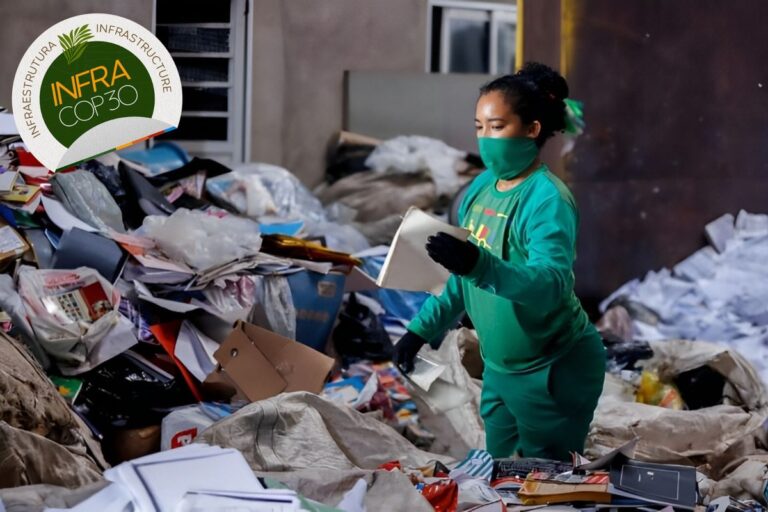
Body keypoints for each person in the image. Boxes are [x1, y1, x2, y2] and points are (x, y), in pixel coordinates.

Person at [394, 62, 606, 461]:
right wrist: (420, 331)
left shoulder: (547, 199)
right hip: (501, 371)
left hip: (552, 371)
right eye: (479, 127)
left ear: (531, 129)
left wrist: (480, 265)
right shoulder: (479, 189)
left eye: (498, 126)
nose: (486, 139)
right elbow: (464, 279)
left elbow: (550, 283)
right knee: (505, 481)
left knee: (547, 486)